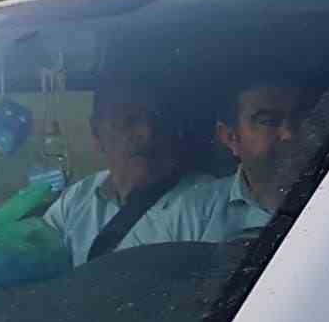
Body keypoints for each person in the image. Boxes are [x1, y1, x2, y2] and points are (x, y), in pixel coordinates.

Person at [126, 75, 309, 246]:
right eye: (268, 121)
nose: (289, 134)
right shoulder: (192, 214)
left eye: (300, 117)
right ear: (230, 137)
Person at [42, 83, 210, 265]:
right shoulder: (74, 202)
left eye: (157, 119)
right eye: (127, 121)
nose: (147, 133)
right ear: (96, 133)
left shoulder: (207, 203)